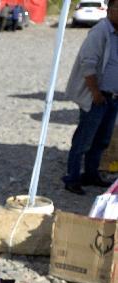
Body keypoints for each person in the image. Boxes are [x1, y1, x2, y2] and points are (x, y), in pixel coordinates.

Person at [63, 0, 118, 194]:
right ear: (110, 10)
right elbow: (88, 64)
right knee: (84, 140)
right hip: (97, 97)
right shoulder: (100, 32)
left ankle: (91, 174)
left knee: (102, 140)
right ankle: (72, 178)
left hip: (112, 97)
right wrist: (95, 92)